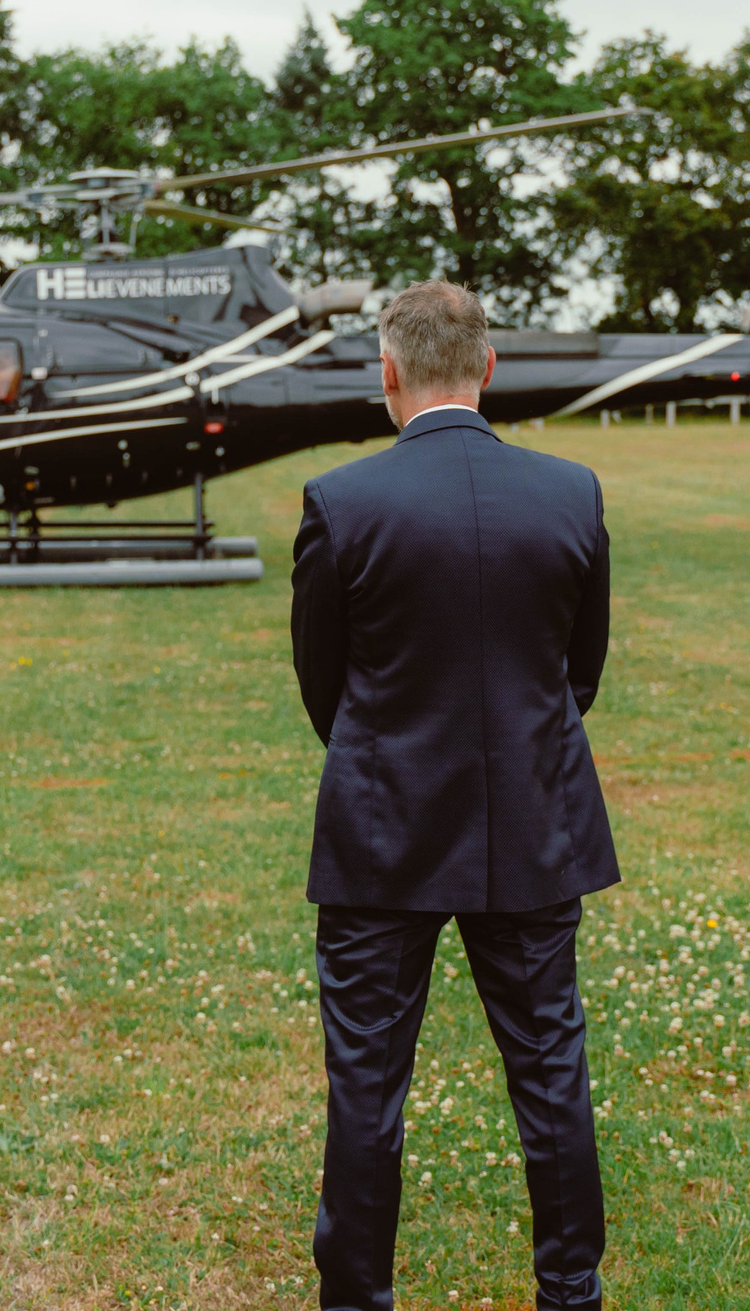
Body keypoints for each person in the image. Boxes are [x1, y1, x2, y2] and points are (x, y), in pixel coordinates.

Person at [289, 279, 616, 1311]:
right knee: (549, 1066)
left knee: (367, 1080)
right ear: (489, 367)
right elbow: (579, 674)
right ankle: (569, 1290)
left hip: (383, 827)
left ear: (387, 372)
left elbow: (323, 686)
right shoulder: (570, 492)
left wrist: (387, 756)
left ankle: (356, 1297)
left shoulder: (342, 501)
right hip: (532, 818)